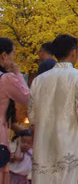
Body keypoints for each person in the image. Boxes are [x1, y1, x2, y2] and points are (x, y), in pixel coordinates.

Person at [29, 34, 78, 184]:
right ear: (73, 52)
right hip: (68, 145)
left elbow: (32, 116)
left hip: (43, 145)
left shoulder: (39, 80)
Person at [0, 39, 29, 184]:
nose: (14, 59)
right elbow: (27, 99)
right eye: (13, 54)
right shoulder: (5, 79)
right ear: (4, 56)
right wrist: (18, 74)